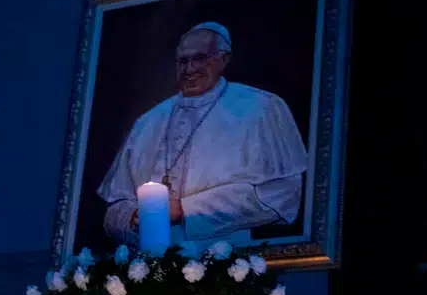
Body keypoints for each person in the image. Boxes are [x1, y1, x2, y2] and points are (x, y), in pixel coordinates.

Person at [96, 22, 310, 247]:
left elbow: (281, 197)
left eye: (199, 59)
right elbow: (113, 211)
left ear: (224, 60)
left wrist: (184, 209)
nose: (189, 70)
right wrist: (132, 218)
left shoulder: (263, 108)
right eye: (183, 61)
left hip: (225, 264)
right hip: (144, 270)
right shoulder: (148, 121)